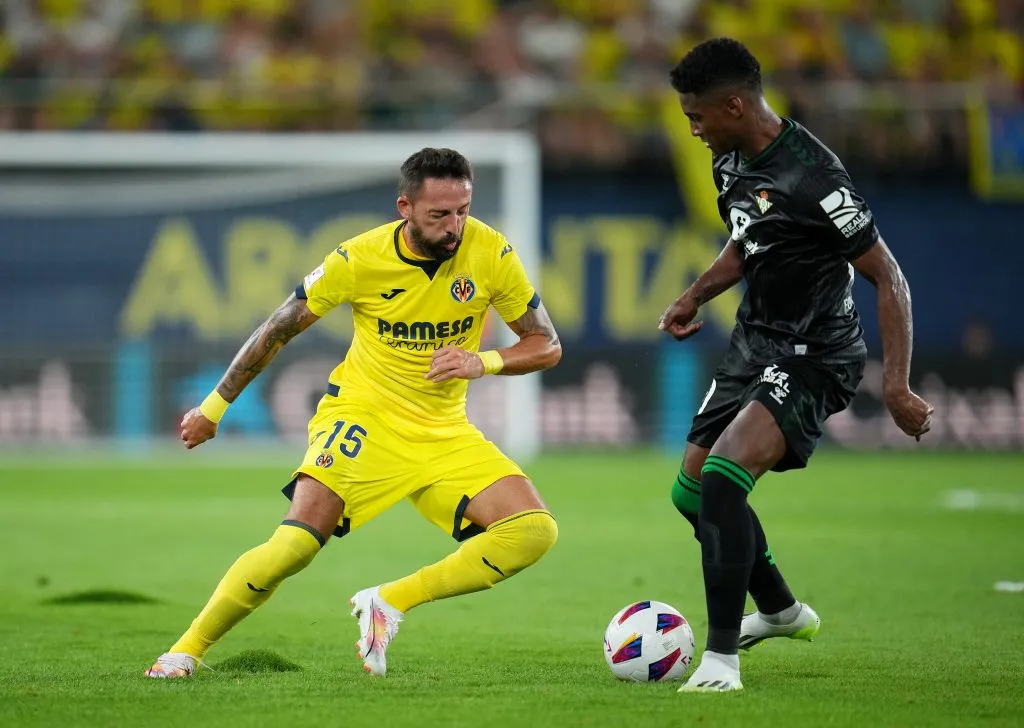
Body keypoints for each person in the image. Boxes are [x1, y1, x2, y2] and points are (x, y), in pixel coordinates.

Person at [145, 148, 561, 679]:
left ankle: (387, 602)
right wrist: (213, 408)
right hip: (363, 417)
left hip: (442, 431)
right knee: (294, 546)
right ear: (404, 207)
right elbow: (278, 328)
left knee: (533, 532)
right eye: (440, 214)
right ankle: (185, 650)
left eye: (463, 210)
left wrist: (483, 361)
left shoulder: (491, 252)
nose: (455, 226)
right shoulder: (358, 259)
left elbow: (546, 344)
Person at [659, 38, 934, 693]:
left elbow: (887, 274)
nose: (691, 128)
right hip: (755, 344)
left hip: (817, 353)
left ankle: (722, 661)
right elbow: (747, 239)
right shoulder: (729, 161)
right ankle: (780, 610)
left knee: (724, 480)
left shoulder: (814, 176)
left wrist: (894, 384)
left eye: (698, 115)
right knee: (690, 494)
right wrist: (695, 293)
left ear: (735, 104)